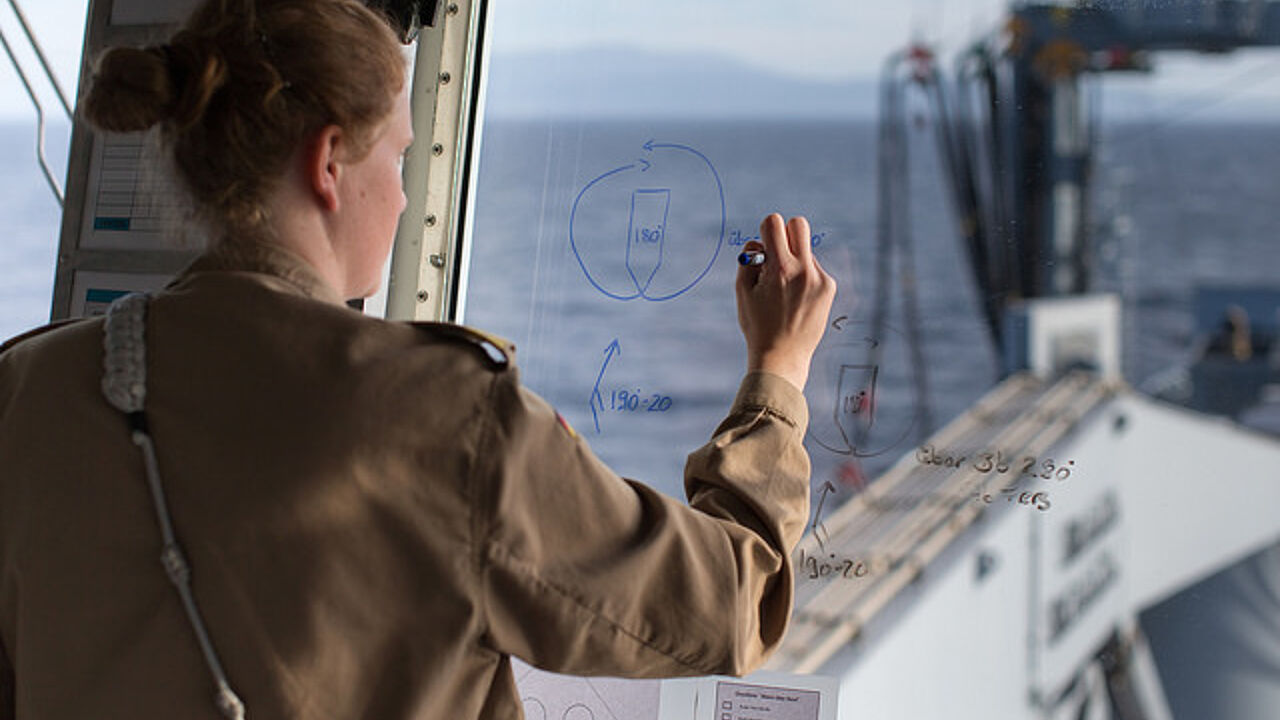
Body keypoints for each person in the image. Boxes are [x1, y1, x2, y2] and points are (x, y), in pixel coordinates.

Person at [0, 0, 836, 718]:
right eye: (398, 157)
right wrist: (779, 373)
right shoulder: (445, 415)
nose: (404, 195)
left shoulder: (26, 387)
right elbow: (732, 603)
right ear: (330, 163)